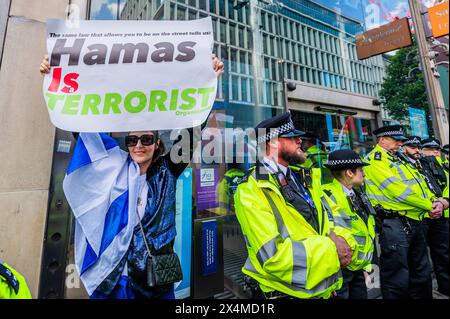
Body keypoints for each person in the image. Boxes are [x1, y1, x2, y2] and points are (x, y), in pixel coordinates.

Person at [40, 54, 224, 299]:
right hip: (113, 280)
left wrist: (209, 80)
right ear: (126, 143)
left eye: (146, 139)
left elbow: (193, 131)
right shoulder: (111, 166)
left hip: (153, 282)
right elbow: (84, 132)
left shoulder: (168, 171)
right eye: (132, 139)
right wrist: (55, 78)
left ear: (157, 143)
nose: (139, 145)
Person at [234, 112, 352, 299]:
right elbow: (273, 257)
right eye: (292, 137)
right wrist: (332, 251)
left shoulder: (302, 178)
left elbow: (321, 225)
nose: (300, 140)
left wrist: (328, 270)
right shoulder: (251, 188)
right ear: (272, 142)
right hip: (285, 293)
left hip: (319, 287)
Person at [363, 125, 444, 299]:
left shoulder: (398, 157)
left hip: (414, 220)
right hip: (394, 223)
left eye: (401, 140)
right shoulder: (375, 160)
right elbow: (398, 191)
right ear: (382, 140)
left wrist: (434, 202)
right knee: (397, 276)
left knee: (421, 272)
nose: (400, 143)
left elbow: (420, 183)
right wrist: (429, 205)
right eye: (396, 140)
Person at [321, 150, 376, 299]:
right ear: (349, 173)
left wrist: (365, 267)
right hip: (341, 268)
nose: (364, 174)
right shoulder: (326, 195)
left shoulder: (357, 193)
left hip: (358, 266)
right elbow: (328, 230)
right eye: (361, 170)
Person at [420, 138, 449, 296]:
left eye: (437, 149)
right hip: (424, 215)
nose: (436, 152)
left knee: (443, 254)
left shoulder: (443, 166)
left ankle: (445, 286)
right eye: (430, 149)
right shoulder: (419, 166)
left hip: (442, 214)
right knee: (422, 258)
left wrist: (443, 202)